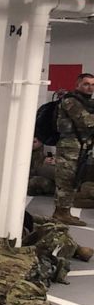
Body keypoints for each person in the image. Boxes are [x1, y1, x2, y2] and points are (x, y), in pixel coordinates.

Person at [53, 72, 94, 226]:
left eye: (93, 85)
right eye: (86, 84)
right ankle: (60, 213)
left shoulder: (87, 102)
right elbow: (87, 122)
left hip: (81, 147)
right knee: (66, 180)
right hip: (69, 147)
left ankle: (64, 212)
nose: (90, 88)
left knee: (74, 180)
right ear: (77, 85)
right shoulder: (71, 101)